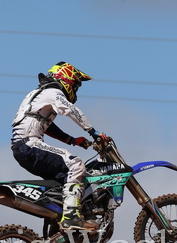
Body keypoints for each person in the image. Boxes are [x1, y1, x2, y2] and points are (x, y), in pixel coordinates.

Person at [11, 61, 106, 230]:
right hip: (30, 145)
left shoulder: (38, 94)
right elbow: (71, 110)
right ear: (66, 78)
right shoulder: (52, 92)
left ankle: (55, 226)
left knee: (63, 180)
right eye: (75, 85)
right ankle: (71, 218)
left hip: (22, 149)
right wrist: (94, 132)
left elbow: (47, 126)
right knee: (76, 164)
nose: (75, 89)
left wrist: (72, 140)